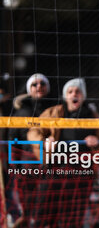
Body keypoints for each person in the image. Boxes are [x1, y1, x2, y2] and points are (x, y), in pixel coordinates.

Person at [27, 78, 99, 227]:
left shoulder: (92, 116)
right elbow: (33, 132)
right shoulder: (54, 112)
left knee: (73, 219)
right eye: (70, 91)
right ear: (65, 96)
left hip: (81, 174)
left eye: (77, 91)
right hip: (55, 171)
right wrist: (44, 142)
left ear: (83, 96)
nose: (74, 94)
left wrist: (96, 143)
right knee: (43, 215)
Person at [6, 73, 55, 227]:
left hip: (52, 169)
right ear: (29, 89)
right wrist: (15, 168)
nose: (38, 86)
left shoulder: (57, 111)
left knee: (50, 210)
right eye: (34, 85)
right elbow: (12, 144)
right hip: (27, 170)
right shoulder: (20, 114)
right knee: (29, 210)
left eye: (42, 83)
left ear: (48, 87)